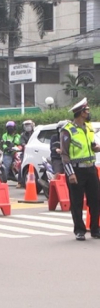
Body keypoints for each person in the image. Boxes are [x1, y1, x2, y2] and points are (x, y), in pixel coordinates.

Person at [60, 98, 100, 241]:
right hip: (76, 171)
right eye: (87, 110)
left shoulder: (89, 128)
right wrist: (70, 173)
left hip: (91, 168)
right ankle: (79, 230)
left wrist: (96, 148)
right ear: (81, 113)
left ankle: (95, 229)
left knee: (96, 200)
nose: (89, 113)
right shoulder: (67, 130)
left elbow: (92, 145)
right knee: (76, 202)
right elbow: (64, 154)